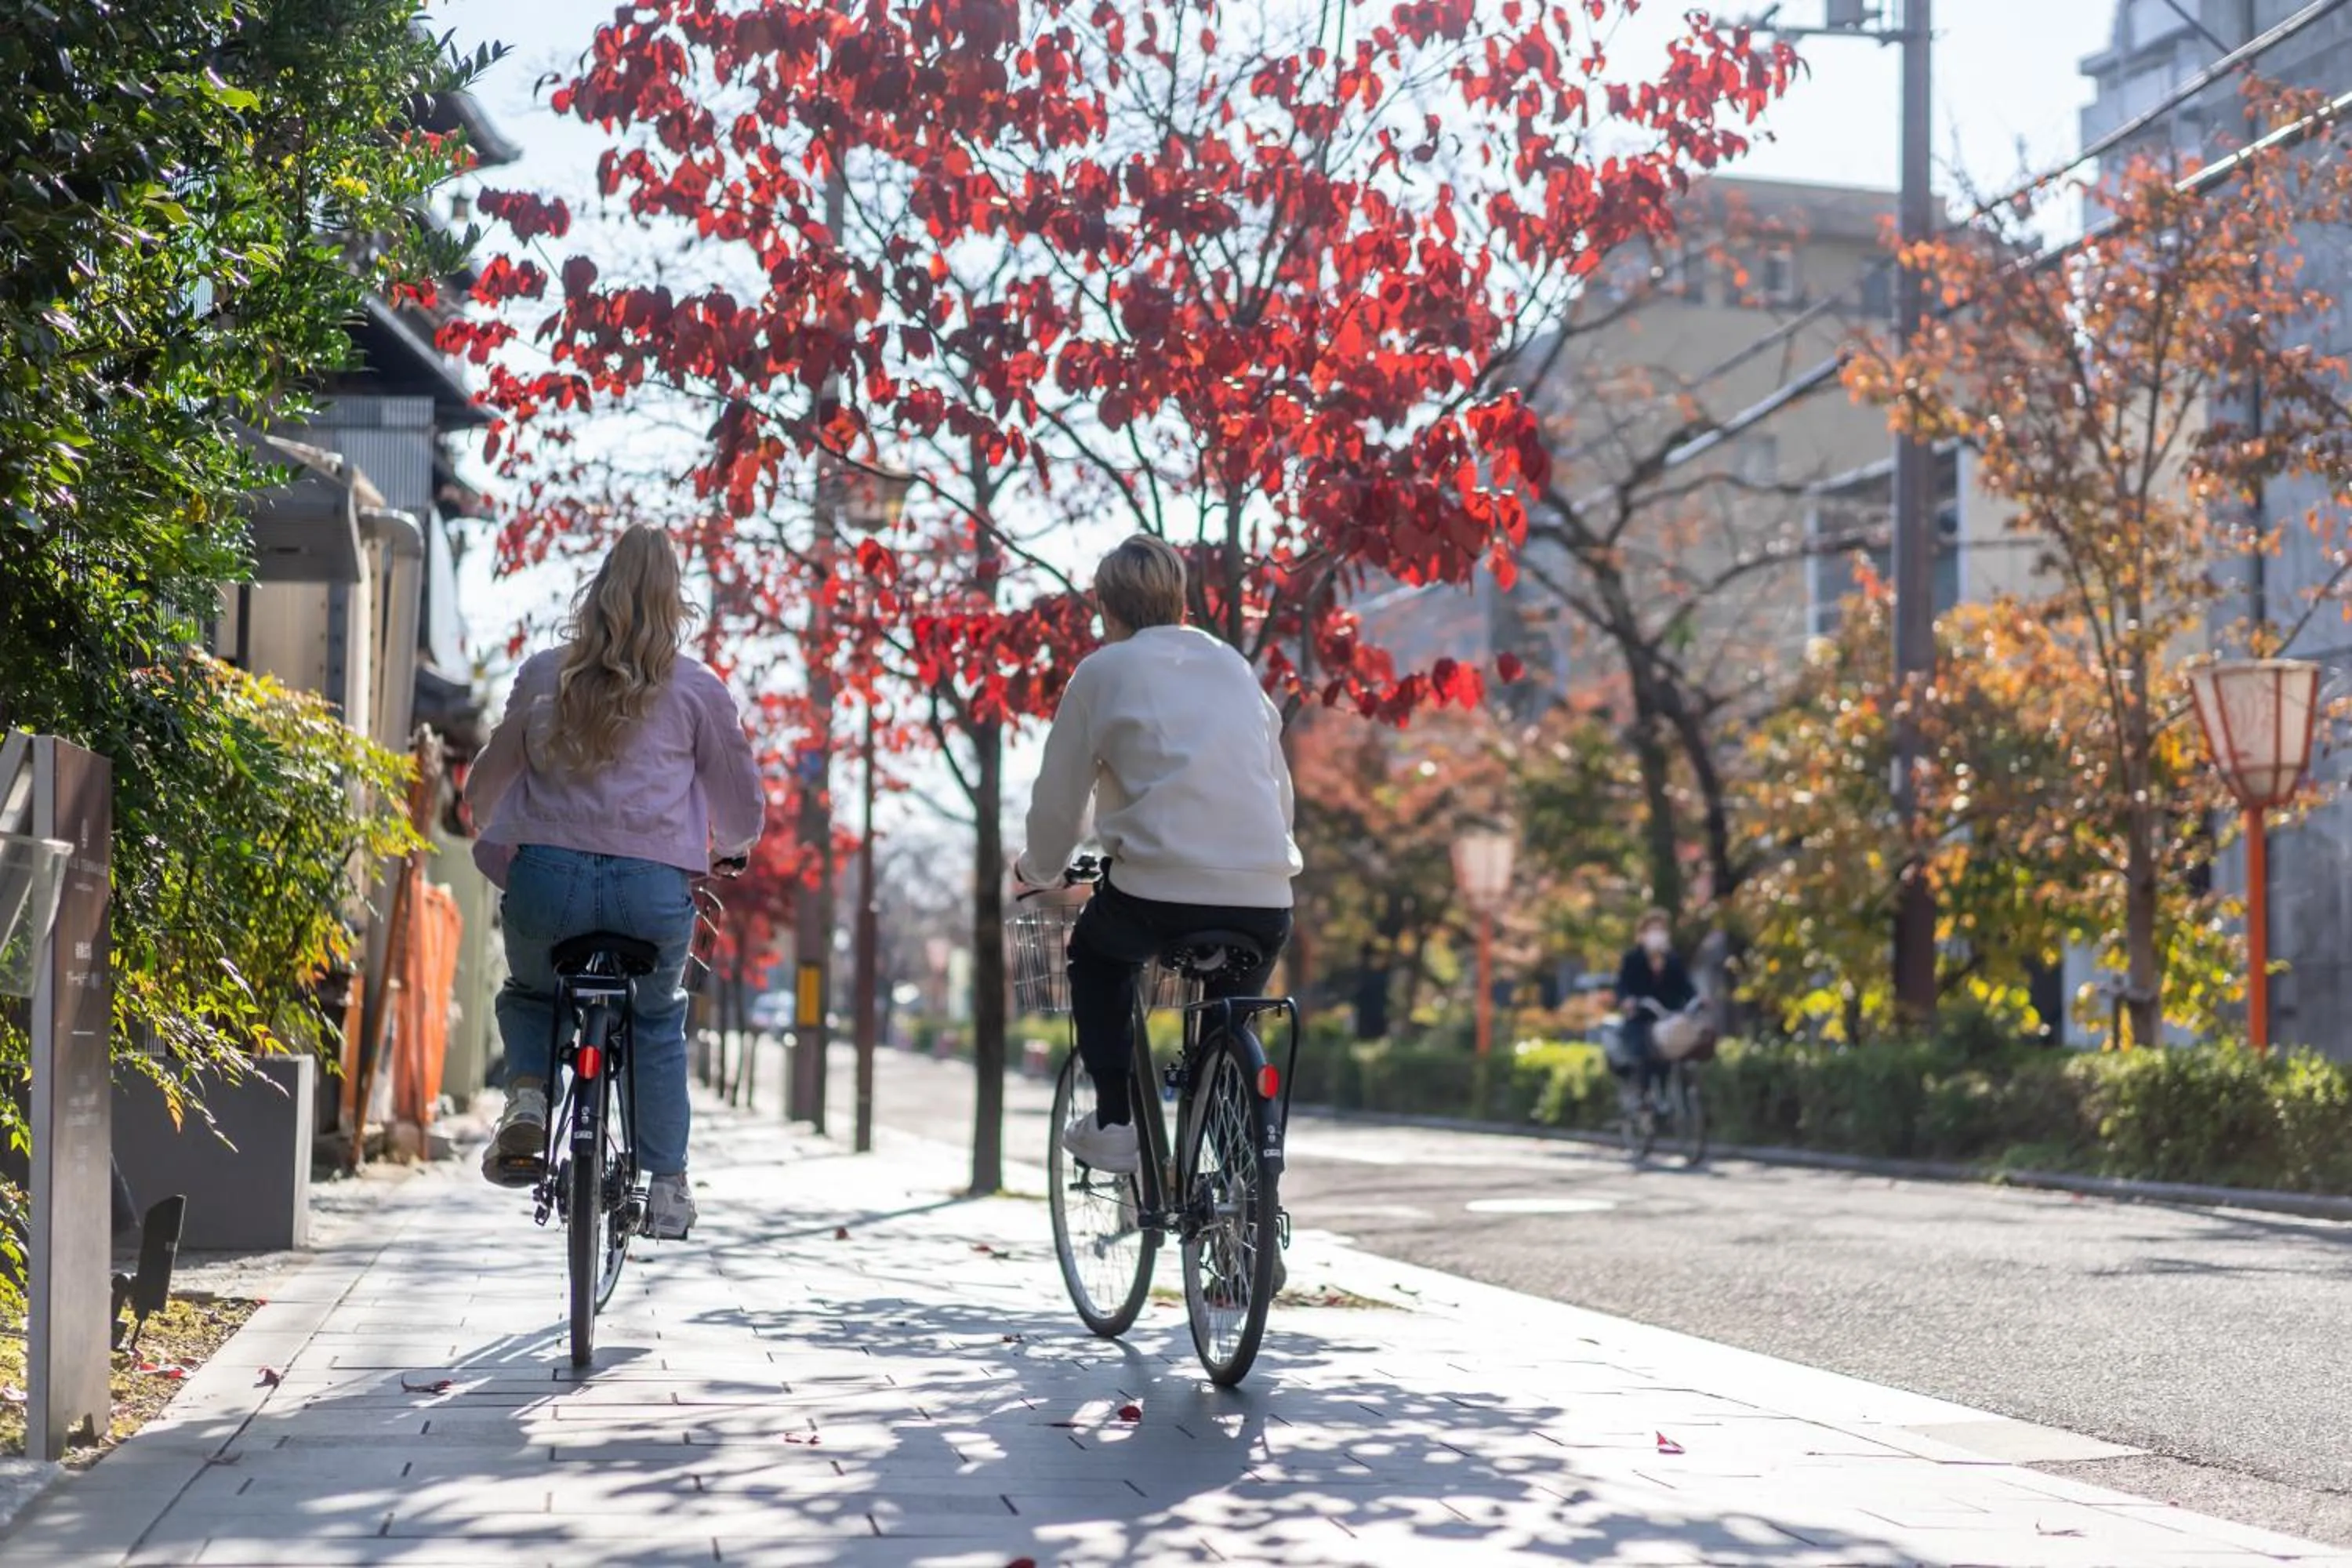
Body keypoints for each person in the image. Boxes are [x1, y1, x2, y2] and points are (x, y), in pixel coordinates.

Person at [463, 525, 764, 1238]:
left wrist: (484, 820)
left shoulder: (544, 674)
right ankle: (666, 1186)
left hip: (546, 883)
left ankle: (531, 1100)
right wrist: (735, 849)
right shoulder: (697, 689)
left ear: (596, 591)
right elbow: (741, 804)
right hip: (651, 894)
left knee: (534, 993)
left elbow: (483, 790)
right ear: (674, 603)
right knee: (657, 1018)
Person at [1014, 534, 1302, 1176]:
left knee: (1095, 959)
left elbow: (1060, 800)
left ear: (1106, 610)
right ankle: (1243, 1211)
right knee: (1235, 1027)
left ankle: (1116, 1121)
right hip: (1264, 894)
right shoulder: (1231, 664)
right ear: (1181, 603)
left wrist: (1037, 870)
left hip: (1155, 894)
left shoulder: (1101, 672)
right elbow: (1276, 782)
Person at [1615, 908, 1696, 1101]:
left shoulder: (1673, 960)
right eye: (1652, 930)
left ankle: (1680, 1099)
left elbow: (1686, 987)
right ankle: (1644, 1098)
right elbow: (1622, 986)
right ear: (1642, 934)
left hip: (1668, 1019)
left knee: (1681, 1050)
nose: (1657, 935)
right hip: (1641, 1018)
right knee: (1642, 1053)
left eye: (1661, 930)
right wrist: (1627, 1001)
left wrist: (1697, 999)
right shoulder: (1633, 959)